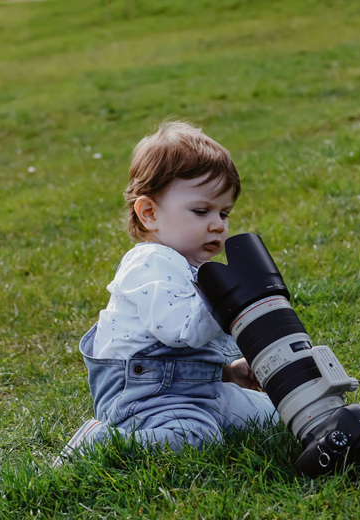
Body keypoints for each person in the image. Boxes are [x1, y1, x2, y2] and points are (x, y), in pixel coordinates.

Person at [53, 121, 277, 467]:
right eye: (202, 211)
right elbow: (180, 331)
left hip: (196, 389)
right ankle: (99, 441)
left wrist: (228, 372)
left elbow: (189, 353)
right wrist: (232, 297)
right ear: (150, 213)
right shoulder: (150, 261)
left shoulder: (191, 268)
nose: (218, 224)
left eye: (224, 212)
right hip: (145, 395)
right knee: (197, 439)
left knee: (273, 417)